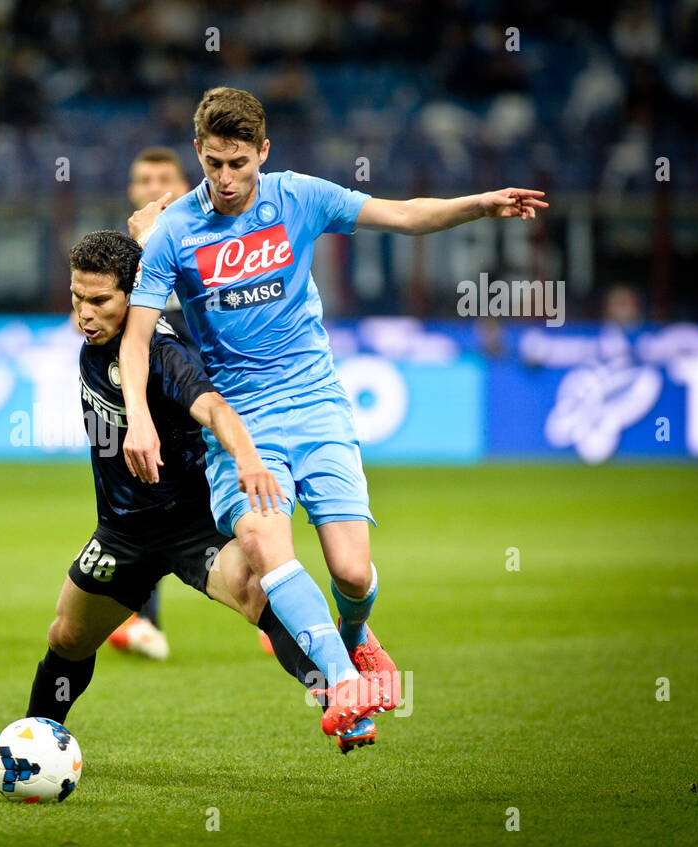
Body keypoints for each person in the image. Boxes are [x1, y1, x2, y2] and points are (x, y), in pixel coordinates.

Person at [119, 87, 549, 735]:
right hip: (241, 420)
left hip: (316, 402)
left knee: (351, 569)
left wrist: (479, 205)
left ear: (263, 152)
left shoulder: (299, 197)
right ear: (199, 156)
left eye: (239, 163)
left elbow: (404, 216)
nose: (227, 178)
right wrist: (140, 417)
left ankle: (356, 634)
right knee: (266, 546)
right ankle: (344, 687)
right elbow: (135, 333)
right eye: (213, 164)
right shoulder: (176, 229)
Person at [0, 230, 377, 776]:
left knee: (258, 597)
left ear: (132, 298)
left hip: (192, 528)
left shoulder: (164, 352)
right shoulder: (103, 342)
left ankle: (341, 701)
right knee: (67, 635)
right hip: (123, 532)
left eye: (100, 301)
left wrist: (248, 459)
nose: (84, 314)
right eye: (76, 298)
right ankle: (26, 741)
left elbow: (214, 408)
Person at [105, 147, 193, 660]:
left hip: (204, 361)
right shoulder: (122, 251)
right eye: (144, 179)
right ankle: (143, 618)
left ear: (185, 186)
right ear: (132, 190)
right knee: (145, 482)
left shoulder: (209, 236)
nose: (153, 186)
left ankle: (277, 608)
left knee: (239, 481)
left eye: (164, 177)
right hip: (147, 365)